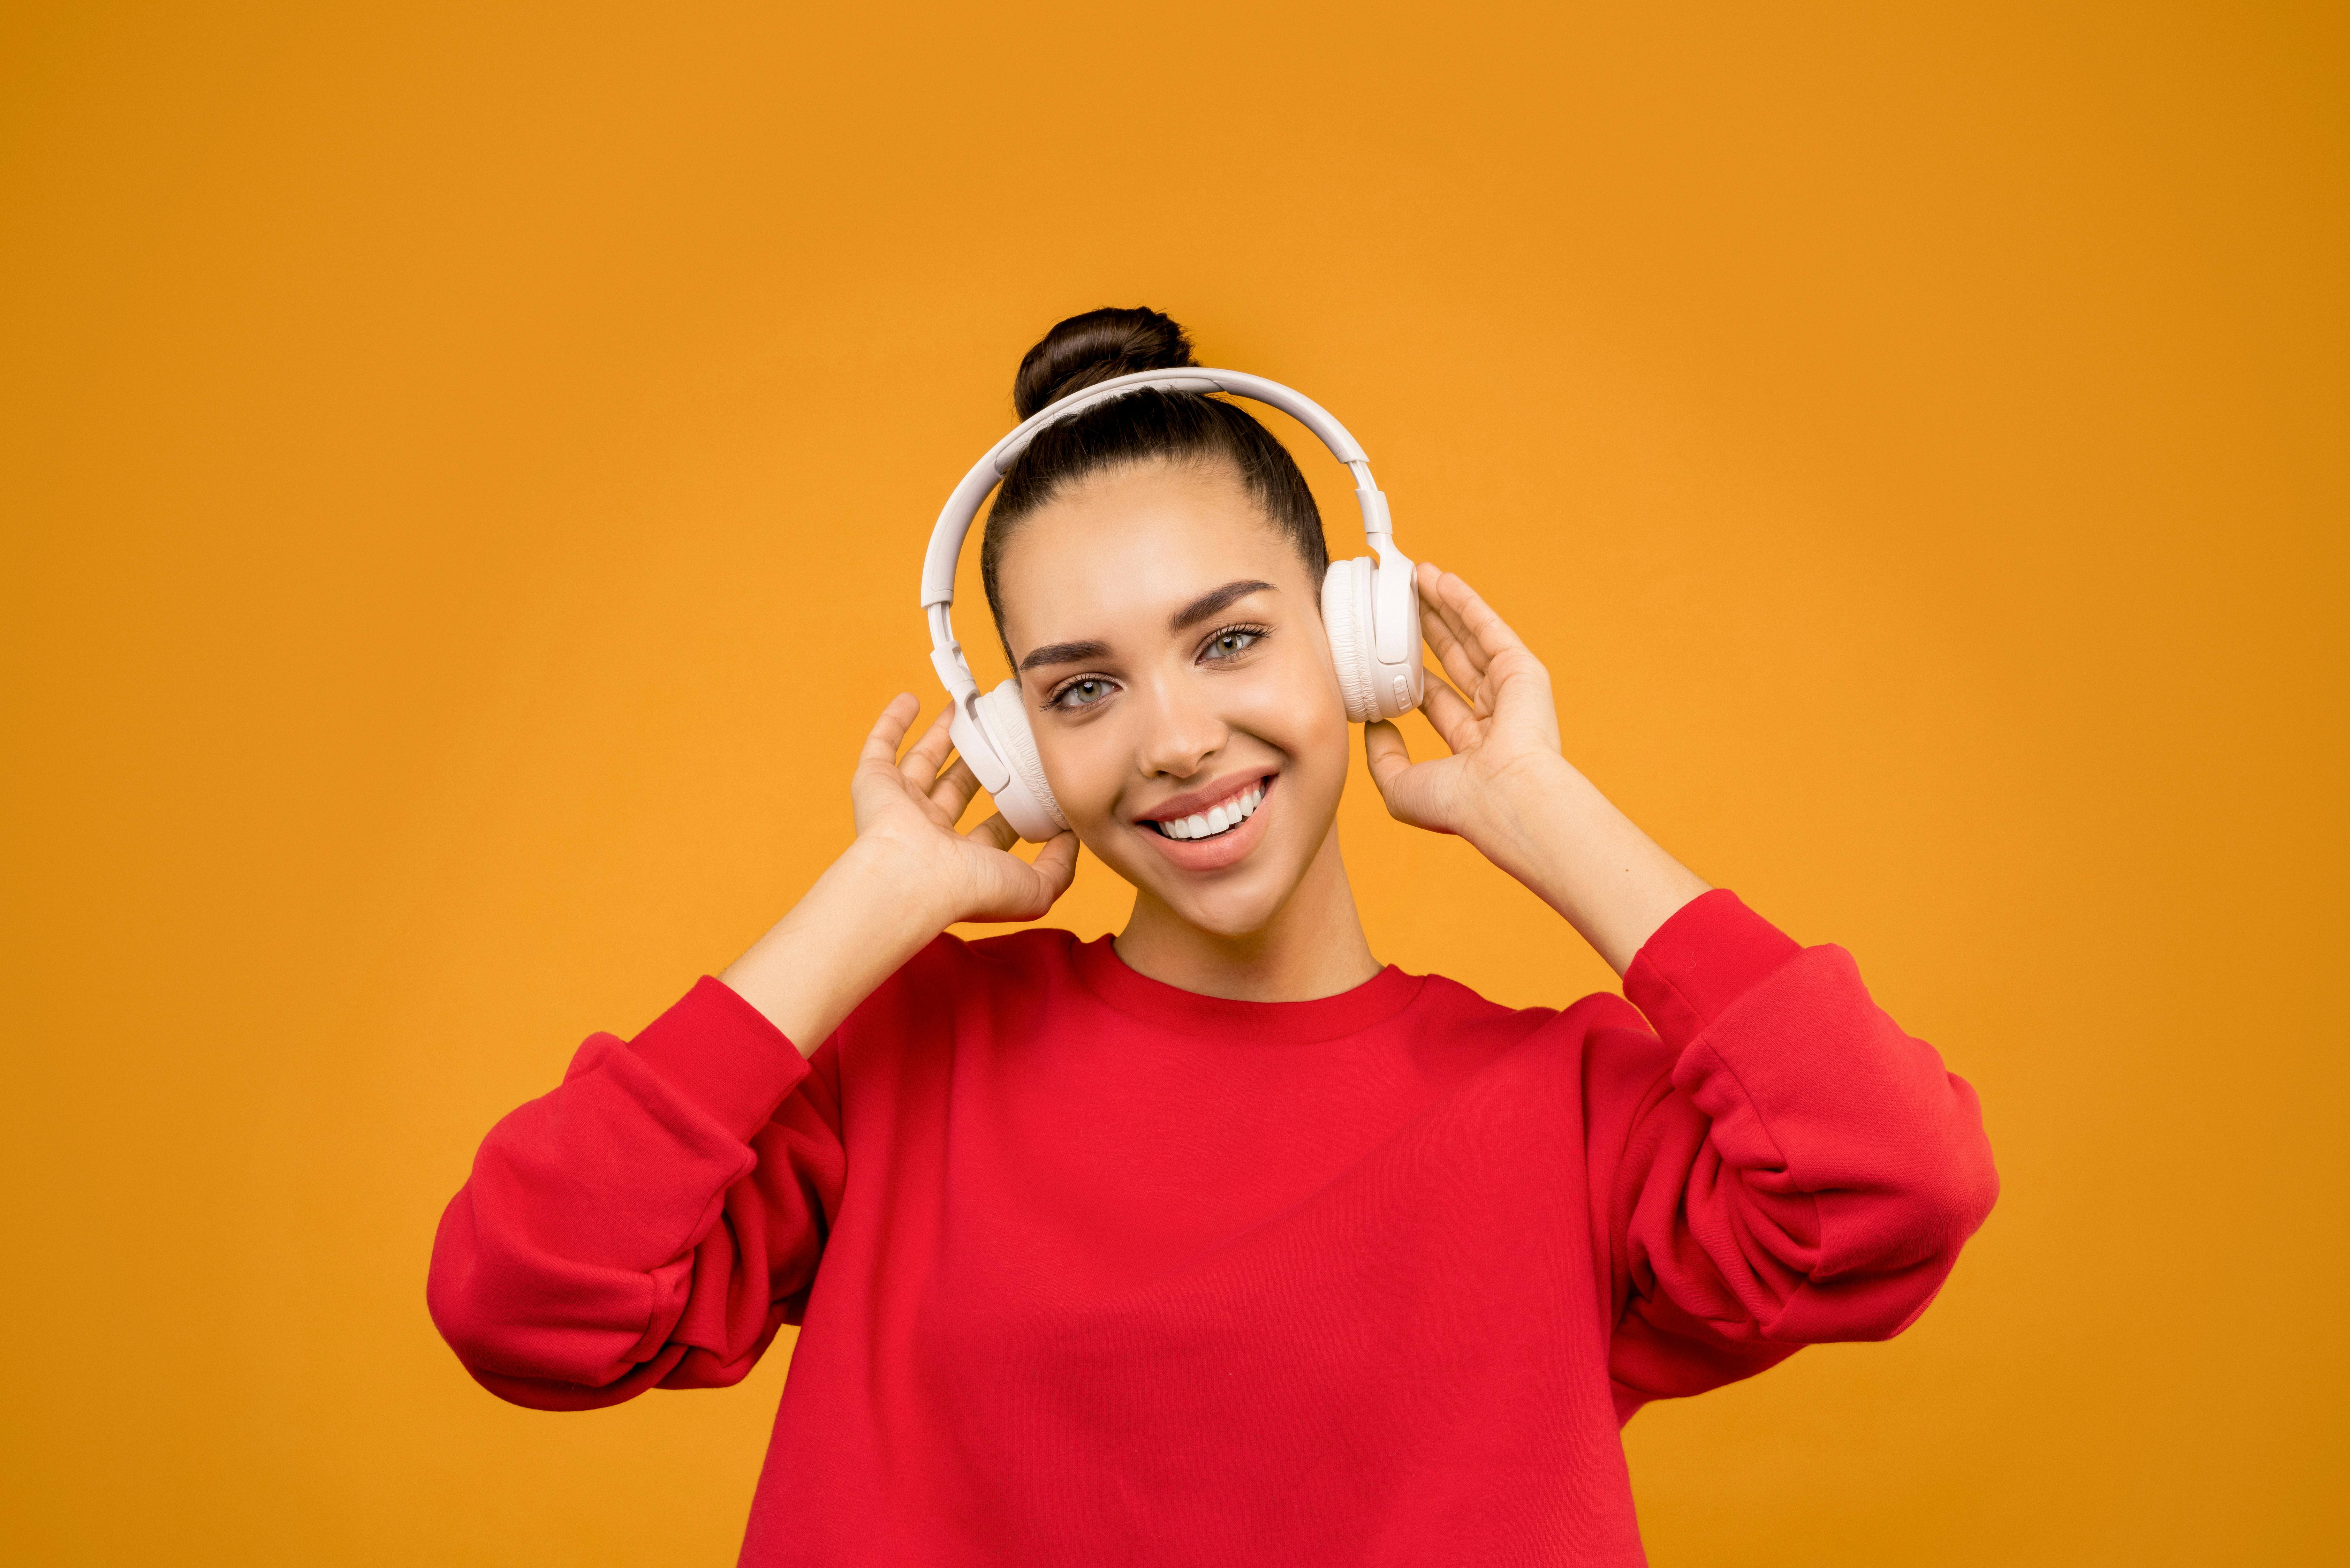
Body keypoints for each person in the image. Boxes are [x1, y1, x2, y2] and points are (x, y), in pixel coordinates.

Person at [427, 306, 1998, 1566]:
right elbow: (524, 1296)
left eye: (1231, 637)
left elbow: (1895, 1178)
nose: (1174, 737)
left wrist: (1530, 801)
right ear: (1020, 751)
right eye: (1083, 690)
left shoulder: (1563, 1117)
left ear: (1359, 642)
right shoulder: (903, 1066)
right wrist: (876, 900)